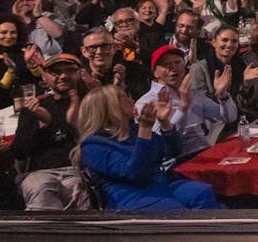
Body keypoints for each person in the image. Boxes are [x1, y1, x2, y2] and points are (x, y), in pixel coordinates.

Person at [75, 85, 221, 211]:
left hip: (160, 187)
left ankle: (215, 241)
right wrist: (144, 130)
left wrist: (164, 122)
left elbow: (173, 151)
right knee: (174, 208)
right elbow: (135, 174)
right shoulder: (93, 146)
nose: (131, 99)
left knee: (202, 192)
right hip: (131, 198)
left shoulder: (134, 131)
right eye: (123, 96)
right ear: (109, 107)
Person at [13, 53, 90, 211]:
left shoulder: (90, 102)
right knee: (41, 191)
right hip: (40, 172)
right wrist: (43, 126)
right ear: (44, 77)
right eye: (55, 72)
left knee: (77, 194)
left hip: (76, 170)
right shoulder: (35, 107)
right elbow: (19, 152)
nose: (63, 76)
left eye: (70, 70)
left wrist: (75, 123)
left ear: (79, 74)